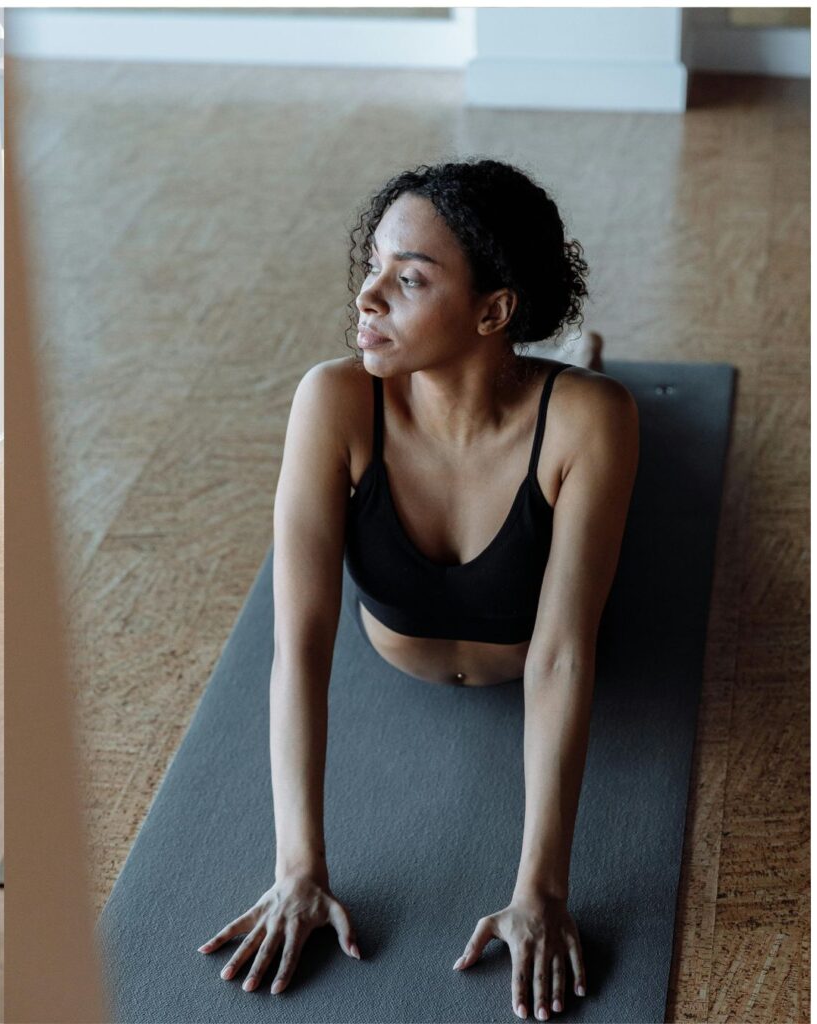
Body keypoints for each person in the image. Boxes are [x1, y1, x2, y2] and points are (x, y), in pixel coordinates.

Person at [197, 158, 639, 1022]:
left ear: (493, 308)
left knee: (599, 399)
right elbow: (299, 644)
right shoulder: (332, 400)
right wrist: (297, 869)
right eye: (373, 268)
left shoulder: (591, 420)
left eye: (408, 279)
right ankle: (556, 356)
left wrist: (539, 891)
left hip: (523, 618)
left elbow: (557, 657)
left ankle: (567, 360)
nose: (367, 298)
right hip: (395, 648)